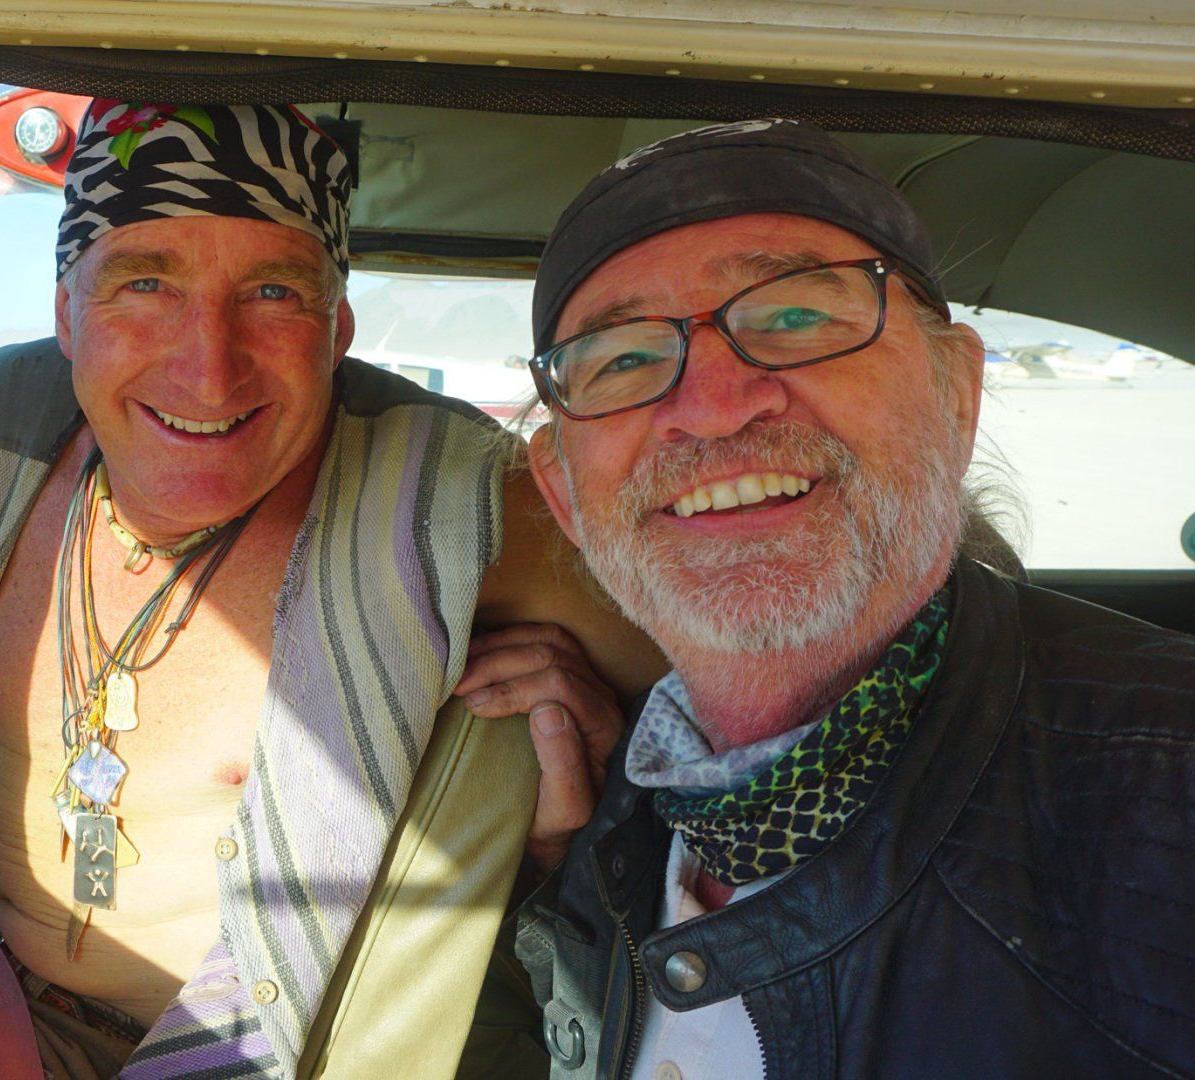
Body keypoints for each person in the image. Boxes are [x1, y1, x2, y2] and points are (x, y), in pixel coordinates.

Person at [0, 100, 662, 1078]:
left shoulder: (451, 503)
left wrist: (596, 807)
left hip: (180, 1052)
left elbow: (711, 685)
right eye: (146, 284)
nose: (208, 368)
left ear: (336, 333)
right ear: (67, 315)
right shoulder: (5, 438)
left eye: (273, 293)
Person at [508, 118, 1195, 1078]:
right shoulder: (606, 817)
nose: (713, 406)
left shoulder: (1168, 785)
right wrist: (545, 872)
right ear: (562, 494)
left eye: (795, 318)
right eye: (621, 359)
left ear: (957, 395)